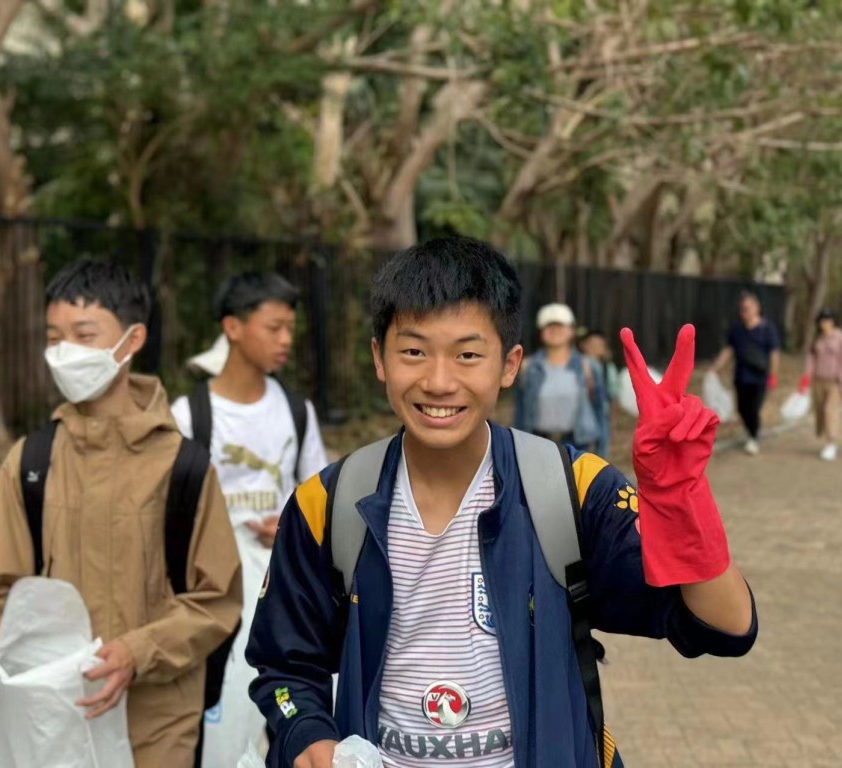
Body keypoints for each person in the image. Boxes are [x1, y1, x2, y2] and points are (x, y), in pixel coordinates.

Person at [247, 237, 757, 768]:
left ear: (510, 364)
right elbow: (285, 667)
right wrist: (305, 732)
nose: (439, 381)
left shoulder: (572, 489)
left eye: (468, 354)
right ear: (380, 358)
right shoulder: (327, 504)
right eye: (414, 351)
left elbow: (726, 627)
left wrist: (680, 500)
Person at [0, 260, 243, 768]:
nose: (64, 351)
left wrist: (136, 652)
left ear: (132, 340)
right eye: (55, 336)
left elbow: (216, 601)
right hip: (50, 720)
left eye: (83, 335)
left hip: (156, 726)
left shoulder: (184, 467)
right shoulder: (31, 461)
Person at [171, 272, 329, 768]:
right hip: (215, 595)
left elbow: (317, 495)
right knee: (220, 714)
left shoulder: (296, 411)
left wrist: (291, 527)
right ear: (233, 328)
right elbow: (169, 516)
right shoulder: (189, 416)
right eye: (274, 327)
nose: (285, 340)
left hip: (283, 590)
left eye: (290, 329)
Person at [513, 303, 604, 452]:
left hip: (578, 445)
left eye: (560, 326)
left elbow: (600, 411)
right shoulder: (528, 368)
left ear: (571, 331)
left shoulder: (588, 367)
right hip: (537, 444)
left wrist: (601, 452)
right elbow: (520, 412)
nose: (554, 331)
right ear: (541, 332)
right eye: (549, 326)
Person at [708, 292, 781, 455]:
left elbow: (774, 353)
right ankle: (751, 432)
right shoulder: (737, 329)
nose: (744, 312)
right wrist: (716, 367)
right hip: (741, 377)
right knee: (742, 408)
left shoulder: (767, 329)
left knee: (753, 408)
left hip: (759, 378)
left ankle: (753, 437)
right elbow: (729, 349)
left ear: (757, 308)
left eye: (748, 308)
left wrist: (773, 376)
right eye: (742, 309)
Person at [798, 308, 842, 461]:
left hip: (835, 381)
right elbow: (811, 358)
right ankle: (826, 438)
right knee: (820, 412)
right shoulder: (818, 339)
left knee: (830, 411)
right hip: (818, 380)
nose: (825, 324)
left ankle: (831, 443)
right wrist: (805, 379)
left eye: (828, 320)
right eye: (822, 321)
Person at [578, 329, 619, 458]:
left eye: (600, 344)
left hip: (602, 414)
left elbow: (612, 396)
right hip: (582, 414)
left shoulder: (608, 368)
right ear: (584, 346)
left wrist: (612, 423)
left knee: (601, 451)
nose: (596, 348)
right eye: (593, 344)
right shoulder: (578, 364)